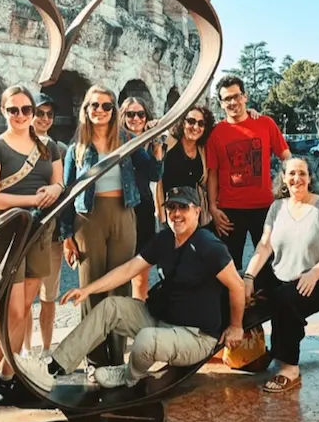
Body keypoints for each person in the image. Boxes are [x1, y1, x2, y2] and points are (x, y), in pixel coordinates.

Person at [14, 186, 245, 392]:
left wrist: (236, 326)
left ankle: (128, 375)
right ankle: (53, 368)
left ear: (197, 211)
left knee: (145, 340)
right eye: (171, 207)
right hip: (161, 321)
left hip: (195, 336)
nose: (176, 214)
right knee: (110, 307)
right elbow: (129, 269)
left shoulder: (209, 246)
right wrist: (87, 290)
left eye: (183, 207)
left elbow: (237, 284)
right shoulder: (164, 239)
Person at [59, 85, 163, 375]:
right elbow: (67, 193)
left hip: (123, 214)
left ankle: (116, 358)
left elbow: (153, 173)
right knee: (90, 287)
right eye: (95, 105)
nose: (100, 111)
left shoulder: (126, 140)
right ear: (86, 109)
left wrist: (157, 151)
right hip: (88, 220)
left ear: (114, 111)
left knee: (119, 287)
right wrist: (66, 236)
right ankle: (94, 361)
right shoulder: (76, 148)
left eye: (106, 106)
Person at [0, 85, 65, 405]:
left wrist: (55, 190)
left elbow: (58, 181)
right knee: (10, 310)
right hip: (6, 233)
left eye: (27, 109)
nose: (21, 115)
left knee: (24, 308)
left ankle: (9, 374)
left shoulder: (48, 146)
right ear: (3, 111)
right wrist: (32, 200)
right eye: (13, 110)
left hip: (38, 233)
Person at [241, 157, 319, 394]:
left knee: (285, 300)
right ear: (283, 178)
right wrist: (249, 277)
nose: (296, 178)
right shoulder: (277, 208)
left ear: (310, 178)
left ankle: (289, 367)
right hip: (282, 273)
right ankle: (236, 345)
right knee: (237, 286)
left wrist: (314, 273)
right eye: (291, 173)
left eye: (302, 173)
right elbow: (264, 246)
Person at [206, 76, 291, 270]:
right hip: (229, 210)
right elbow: (213, 173)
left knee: (271, 264)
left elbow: (286, 158)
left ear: (245, 96)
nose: (232, 102)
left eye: (236, 96)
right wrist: (212, 208)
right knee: (229, 267)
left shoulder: (266, 124)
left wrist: (287, 193)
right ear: (221, 103)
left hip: (264, 207)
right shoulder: (216, 134)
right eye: (227, 98)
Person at [28, 93, 68, 353]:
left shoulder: (60, 149)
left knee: (48, 296)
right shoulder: (17, 145)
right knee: (23, 296)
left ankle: (45, 349)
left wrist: (68, 235)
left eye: (49, 114)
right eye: (39, 113)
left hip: (52, 233)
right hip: (25, 232)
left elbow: (67, 192)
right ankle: (23, 349)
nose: (44, 119)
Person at [120, 96, 162, 301]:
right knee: (120, 268)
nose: (136, 118)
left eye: (140, 114)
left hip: (144, 207)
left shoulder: (151, 140)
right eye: (130, 114)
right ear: (123, 116)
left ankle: (137, 312)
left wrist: (157, 145)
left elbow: (155, 174)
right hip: (121, 206)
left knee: (140, 272)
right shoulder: (117, 140)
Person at [157, 104, 214, 233]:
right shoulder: (168, 144)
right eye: (191, 121)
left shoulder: (202, 149)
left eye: (201, 123)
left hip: (193, 213)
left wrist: (249, 111)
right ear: (182, 122)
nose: (196, 127)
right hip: (170, 212)